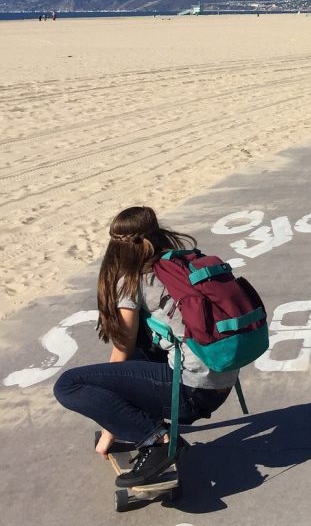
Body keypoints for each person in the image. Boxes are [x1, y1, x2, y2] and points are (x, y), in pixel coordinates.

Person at [54, 207, 236, 486]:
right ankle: (145, 428)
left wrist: (108, 429)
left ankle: (157, 441)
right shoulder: (184, 264)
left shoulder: (133, 280)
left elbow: (120, 356)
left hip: (190, 391)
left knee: (69, 385)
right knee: (143, 343)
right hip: (221, 382)